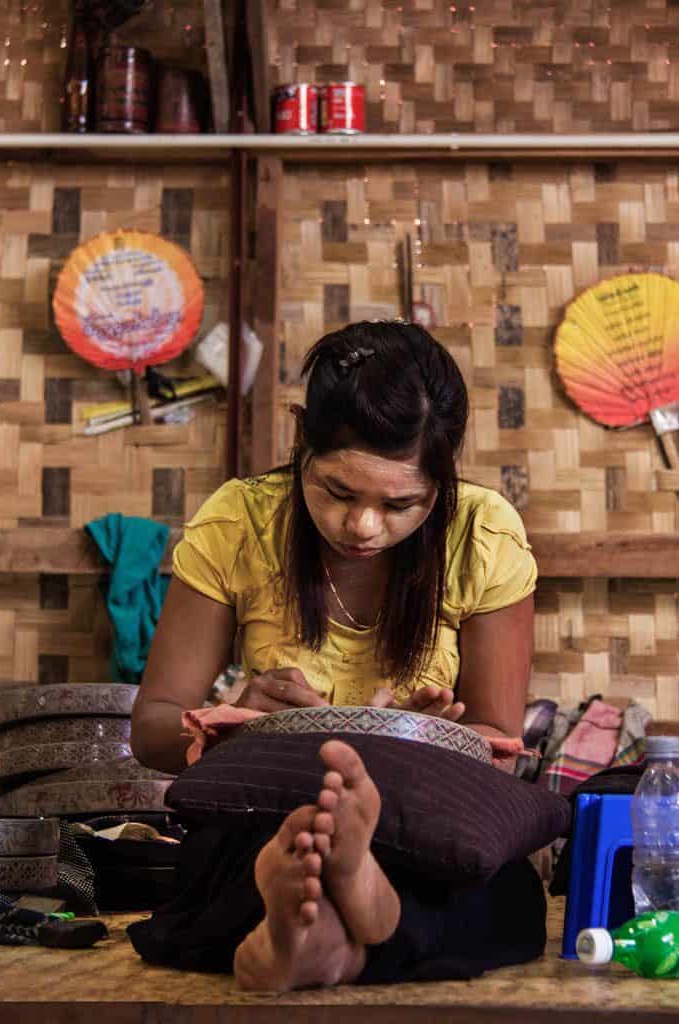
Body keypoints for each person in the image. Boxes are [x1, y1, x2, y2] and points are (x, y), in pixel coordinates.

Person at [130, 320, 540, 990]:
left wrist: (425, 735)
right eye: (338, 492)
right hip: (269, 810)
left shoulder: (482, 535)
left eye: (401, 502)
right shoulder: (240, 521)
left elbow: (499, 749)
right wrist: (235, 719)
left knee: (485, 873)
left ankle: (310, 930)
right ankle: (346, 912)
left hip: (420, 821)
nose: (363, 526)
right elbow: (151, 730)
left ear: (441, 478)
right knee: (251, 842)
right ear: (302, 443)